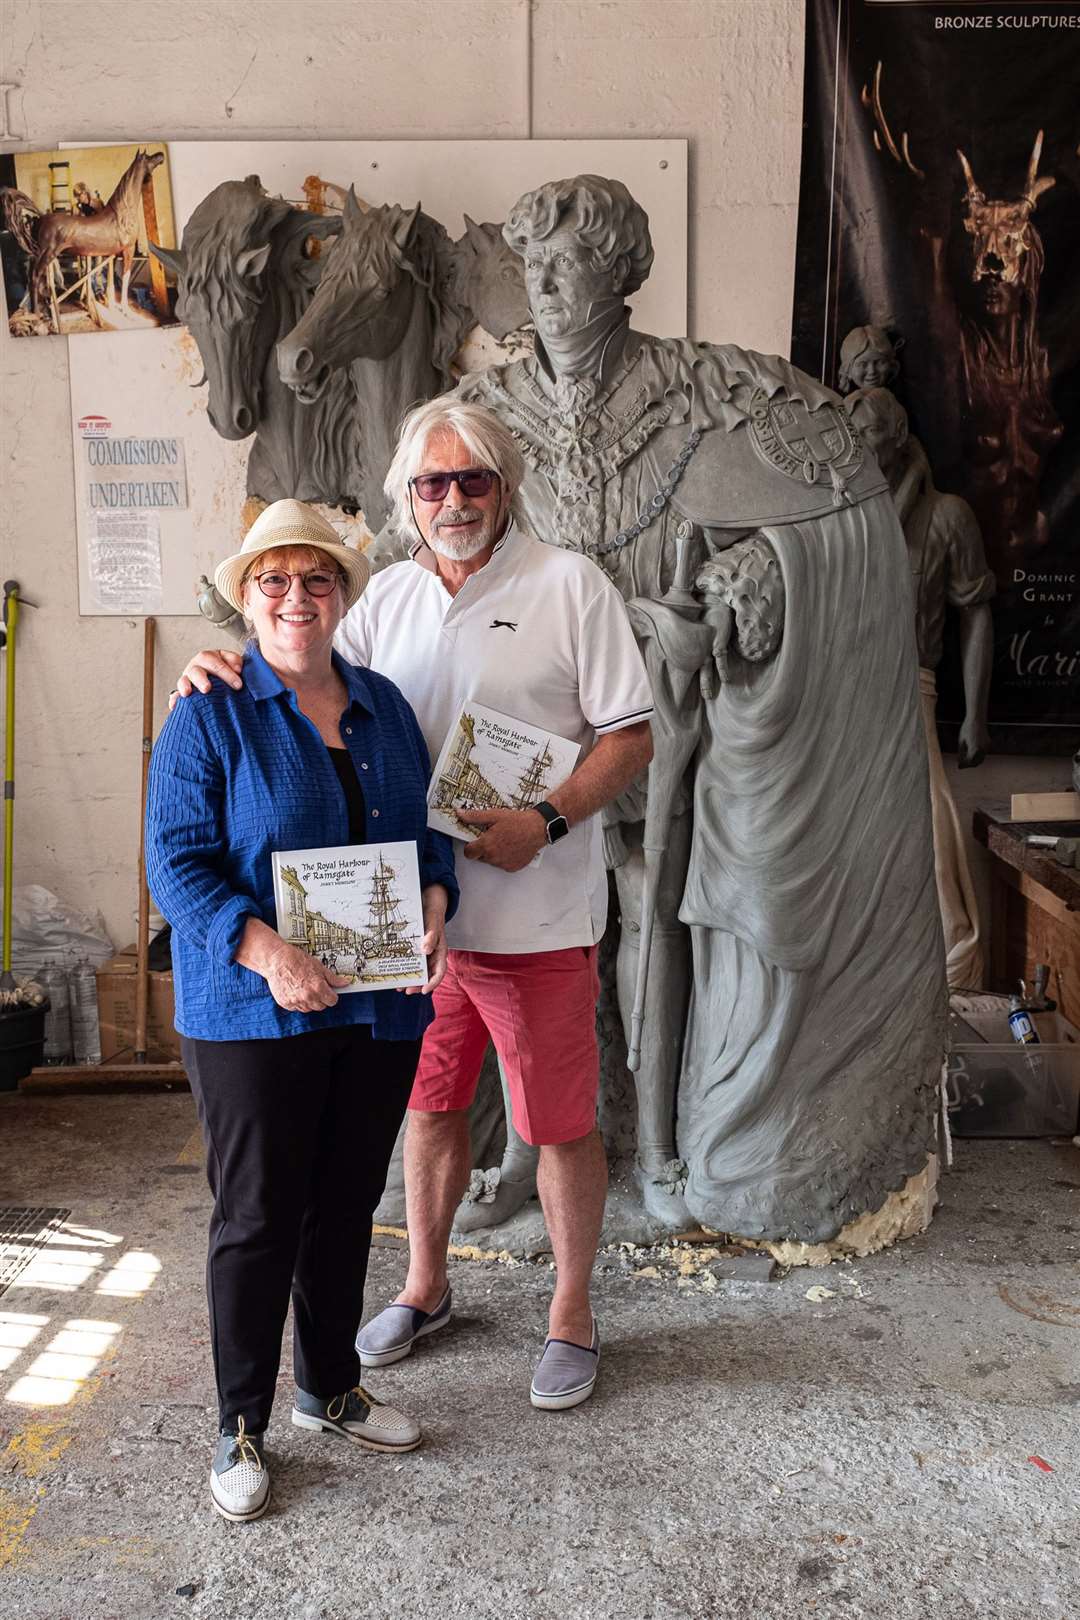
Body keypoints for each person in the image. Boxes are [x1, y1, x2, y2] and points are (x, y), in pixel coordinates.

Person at [173, 400, 655, 1411]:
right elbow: (296, 664)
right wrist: (211, 662)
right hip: (400, 941)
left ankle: (571, 1312)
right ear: (407, 499)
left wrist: (549, 822)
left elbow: (630, 737)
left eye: (471, 479)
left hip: (536, 920)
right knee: (428, 1111)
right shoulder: (381, 597)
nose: (451, 500)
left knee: (559, 1124)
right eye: (430, 484)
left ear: (503, 485)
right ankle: (426, 1286)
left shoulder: (570, 585)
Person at [147, 498, 458, 1522]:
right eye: (272, 580)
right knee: (257, 1214)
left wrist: (436, 905)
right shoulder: (211, 711)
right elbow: (176, 865)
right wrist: (266, 949)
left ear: (342, 596)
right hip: (252, 1012)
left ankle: (329, 1385)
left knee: (343, 1201)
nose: (295, 597)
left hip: (373, 1011)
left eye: (315, 579)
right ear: (247, 597)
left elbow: (427, 840)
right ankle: (241, 1422)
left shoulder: (384, 708)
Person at [846, 385, 995, 989]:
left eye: (868, 432)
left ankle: (953, 983)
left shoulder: (947, 516)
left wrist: (976, 716)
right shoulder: (841, 518)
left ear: (899, 436)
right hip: (841, 698)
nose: (856, 444)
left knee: (931, 846)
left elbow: (977, 611)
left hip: (912, 695)